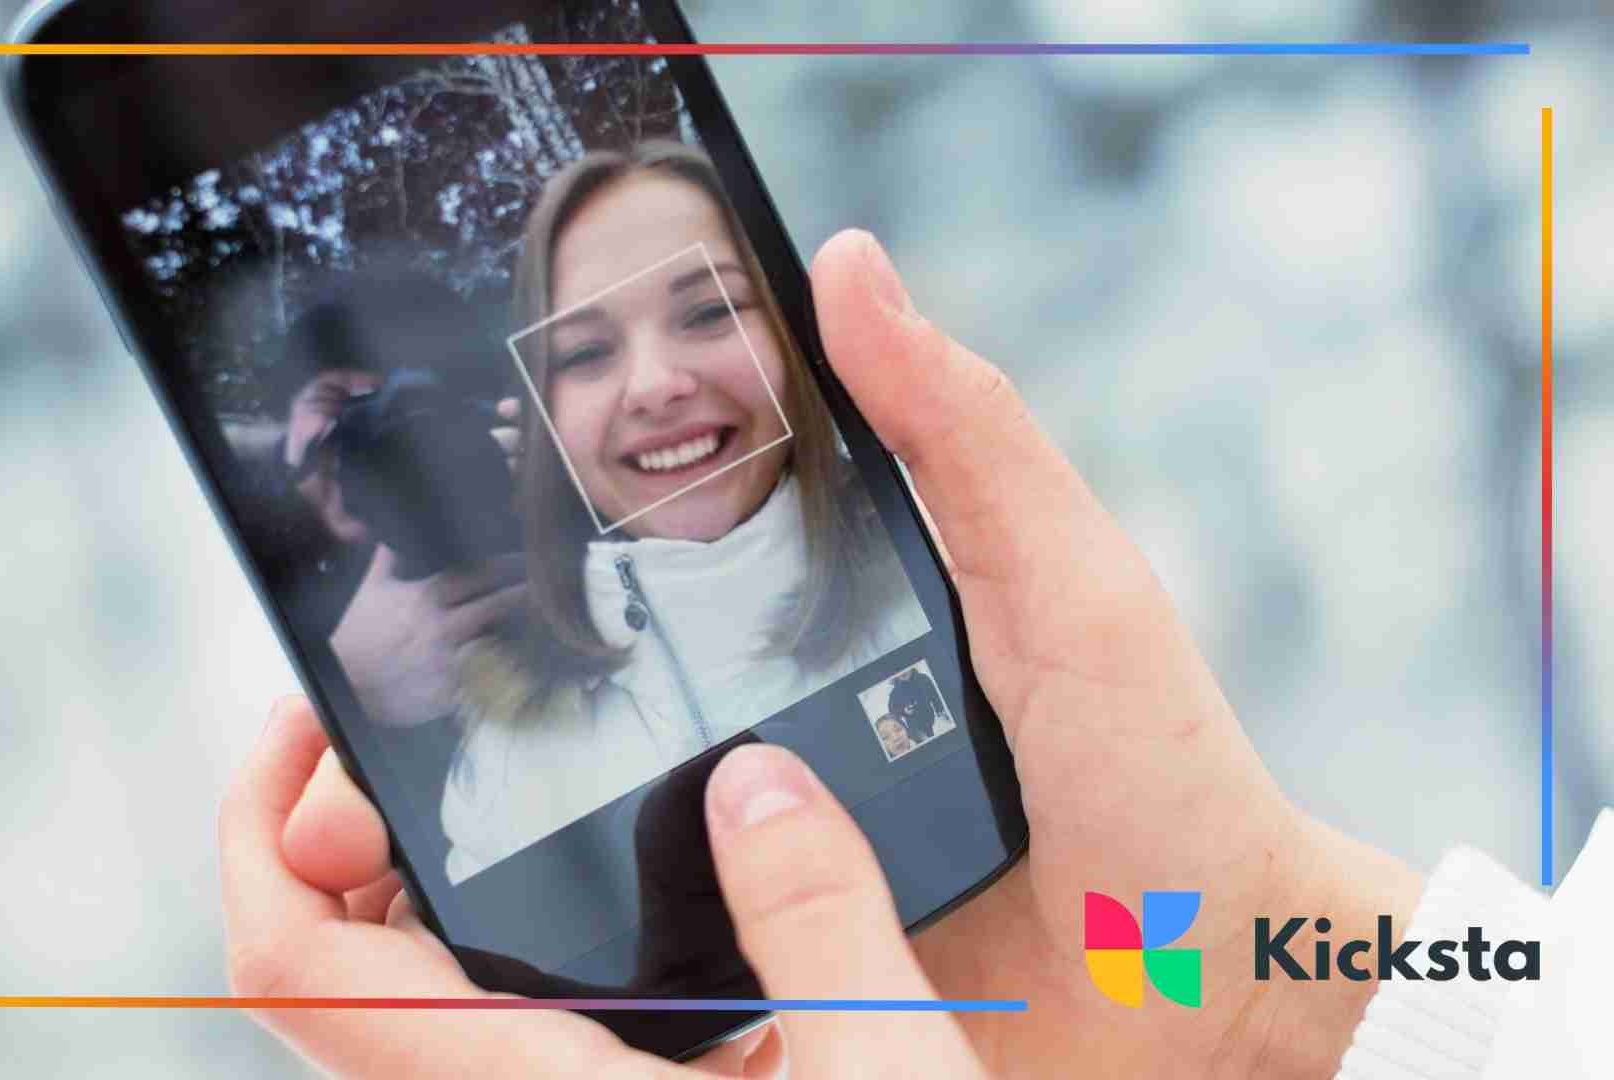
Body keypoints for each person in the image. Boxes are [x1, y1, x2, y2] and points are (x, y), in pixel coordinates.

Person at [219, 231, 1613, 1077]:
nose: (410, 463)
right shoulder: (421, 691)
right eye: (344, 450)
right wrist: (406, 715)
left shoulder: (694, 539)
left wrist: (1256, 1017)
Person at [436, 142, 928, 882]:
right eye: (584, 354)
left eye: (707, 311)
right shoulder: (505, 754)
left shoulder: (945, 563)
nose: (656, 385)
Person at [256, 273, 528, 731]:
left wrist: (550, 499)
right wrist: (347, 695)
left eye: (404, 409)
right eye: (333, 400)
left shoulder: (523, 504)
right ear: (285, 427)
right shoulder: (249, 568)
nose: (367, 433)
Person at [885, 666, 944, 745]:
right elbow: (892, 711)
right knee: (922, 742)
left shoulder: (923, 679)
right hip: (914, 725)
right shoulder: (895, 693)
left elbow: (934, 695)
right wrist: (903, 711)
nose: (902, 673)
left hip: (928, 718)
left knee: (931, 738)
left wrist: (939, 709)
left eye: (905, 669)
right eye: (898, 672)